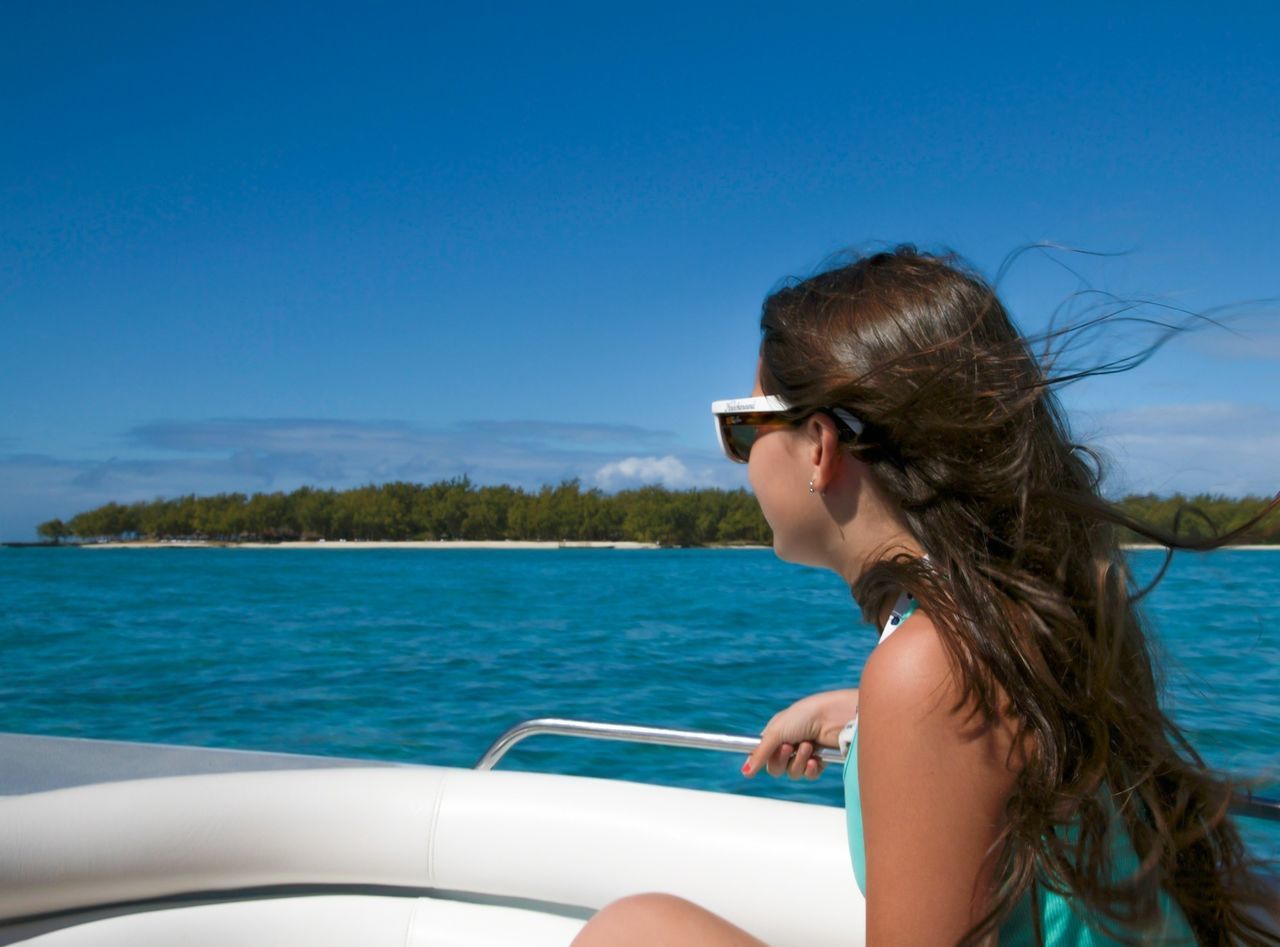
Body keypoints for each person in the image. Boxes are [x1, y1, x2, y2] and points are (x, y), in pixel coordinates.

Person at [571, 246, 1277, 946]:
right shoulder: (1017, 622)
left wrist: (897, 706)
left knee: (630, 931)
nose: (739, 458)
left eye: (744, 427)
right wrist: (860, 717)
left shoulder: (931, 671)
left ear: (820, 446)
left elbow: (952, 706)